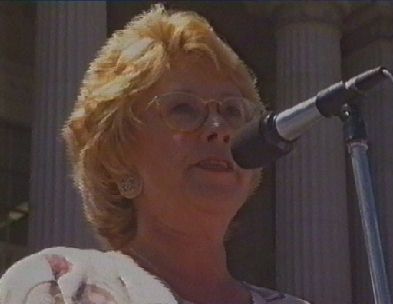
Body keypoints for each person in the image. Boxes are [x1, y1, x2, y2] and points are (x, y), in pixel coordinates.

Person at [0, 4, 309, 304]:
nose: (220, 128)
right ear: (118, 159)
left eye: (232, 110)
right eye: (184, 109)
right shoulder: (61, 286)